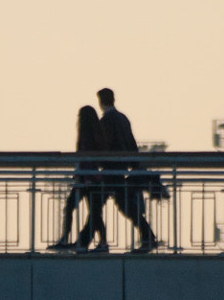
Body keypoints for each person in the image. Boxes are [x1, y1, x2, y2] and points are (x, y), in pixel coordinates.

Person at [92, 87, 157, 252]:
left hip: (109, 171)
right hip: (122, 169)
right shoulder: (123, 118)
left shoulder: (106, 121)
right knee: (125, 205)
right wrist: (135, 166)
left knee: (97, 205)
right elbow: (131, 143)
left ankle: (100, 242)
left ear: (100, 102)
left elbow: (103, 146)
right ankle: (148, 237)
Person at [52, 105, 105, 251]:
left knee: (71, 207)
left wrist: (83, 176)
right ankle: (103, 242)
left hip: (86, 179)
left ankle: (65, 239)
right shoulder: (95, 134)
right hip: (91, 178)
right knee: (94, 212)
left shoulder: (86, 135)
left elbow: (86, 158)